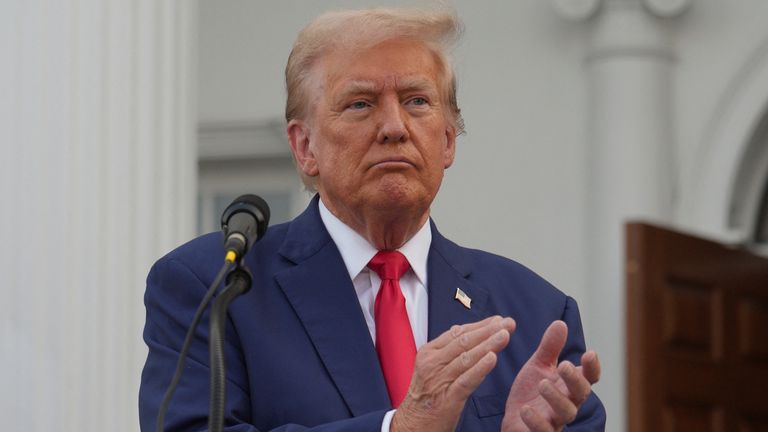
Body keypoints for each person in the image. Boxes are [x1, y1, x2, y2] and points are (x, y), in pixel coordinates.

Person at [139, 7, 606, 432]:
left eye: (417, 101)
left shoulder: (536, 314)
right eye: (360, 103)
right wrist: (399, 428)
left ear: (447, 141)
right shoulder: (216, 290)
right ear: (305, 148)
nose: (394, 127)